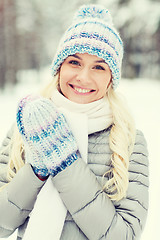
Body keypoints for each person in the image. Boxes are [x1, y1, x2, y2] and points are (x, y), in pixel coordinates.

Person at [0, 4, 149, 240]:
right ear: (59, 68)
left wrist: (65, 163)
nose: (84, 77)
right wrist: (37, 169)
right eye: (74, 62)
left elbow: (125, 235)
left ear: (112, 78)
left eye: (99, 67)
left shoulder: (128, 141)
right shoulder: (29, 128)